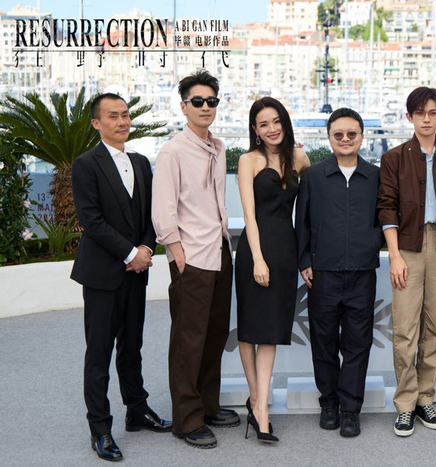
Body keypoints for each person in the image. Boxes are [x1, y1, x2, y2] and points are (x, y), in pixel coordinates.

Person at [71, 93, 171, 462]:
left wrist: (145, 248)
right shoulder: (85, 164)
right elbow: (92, 221)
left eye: (125, 114)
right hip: (102, 274)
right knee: (99, 353)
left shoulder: (142, 162)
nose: (122, 121)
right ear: (97, 123)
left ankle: (137, 410)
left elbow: (151, 215)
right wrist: (130, 254)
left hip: (136, 272)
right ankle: (100, 429)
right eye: (113, 116)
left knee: (132, 346)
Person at [152, 70, 239, 449]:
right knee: (189, 340)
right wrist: (177, 254)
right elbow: (163, 209)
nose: (206, 107)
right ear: (184, 106)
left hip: (219, 250)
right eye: (198, 101)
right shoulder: (173, 151)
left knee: (215, 334)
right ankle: (186, 420)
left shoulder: (217, 147)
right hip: (191, 257)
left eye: (212, 101)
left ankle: (207, 405)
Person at [377, 86, 436, 437]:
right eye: (419, 113)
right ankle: (405, 404)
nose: (426, 119)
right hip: (408, 246)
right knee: (404, 329)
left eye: (432, 113)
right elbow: (386, 207)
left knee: (434, 327)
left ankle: (425, 398)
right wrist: (395, 255)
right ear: (409, 117)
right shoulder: (394, 158)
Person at [295, 108, 383, 438]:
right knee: (324, 341)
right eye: (339, 134)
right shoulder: (314, 176)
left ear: (361, 136)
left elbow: (385, 218)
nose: (345, 139)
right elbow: (302, 222)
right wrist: (305, 259)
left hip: (362, 272)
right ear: (329, 137)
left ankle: (350, 409)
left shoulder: (375, 176)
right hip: (323, 273)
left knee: (358, 344)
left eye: (352, 134)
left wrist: (371, 244)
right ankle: (329, 403)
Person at [235, 96, 310, 443]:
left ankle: (258, 404)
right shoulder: (248, 160)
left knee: (270, 330)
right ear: (255, 129)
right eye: (263, 124)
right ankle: (259, 404)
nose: (272, 129)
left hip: (286, 250)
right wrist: (258, 258)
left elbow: (312, 202)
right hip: (255, 250)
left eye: (276, 121)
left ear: (285, 122)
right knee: (251, 328)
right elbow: (248, 215)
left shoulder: (300, 158)